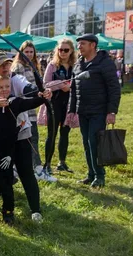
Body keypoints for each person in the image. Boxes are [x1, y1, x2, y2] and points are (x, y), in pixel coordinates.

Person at [0, 52, 53, 221]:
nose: (6, 68)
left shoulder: (15, 79)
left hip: (20, 134)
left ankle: (35, 210)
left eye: (8, 64)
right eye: (1, 65)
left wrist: (41, 93)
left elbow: (30, 90)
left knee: (26, 172)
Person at [69, 34, 121, 188]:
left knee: (94, 142)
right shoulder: (78, 64)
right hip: (83, 110)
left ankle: (100, 176)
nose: (79, 47)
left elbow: (114, 88)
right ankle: (91, 174)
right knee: (86, 143)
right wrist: (72, 110)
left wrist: (111, 111)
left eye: (82, 44)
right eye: (78, 44)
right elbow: (73, 88)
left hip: (99, 110)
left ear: (93, 45)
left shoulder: (105, 63)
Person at [11, 41, 46, 179]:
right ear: (21, 52)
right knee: (28, 139)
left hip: (31, 109)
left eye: (32, 52)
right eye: (27, 52)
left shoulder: (32, 66)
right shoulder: (18, 67)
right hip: (24, 110)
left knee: (32, 138)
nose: (29, 54)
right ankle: (35, 169)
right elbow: (19, 88)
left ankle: (32, 167)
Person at [42, 38, 77, 175]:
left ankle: (62, 162)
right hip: (54, 103)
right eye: (60, 49)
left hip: (69, 103)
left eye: (66, 50)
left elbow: (79, 82)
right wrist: (61, 85)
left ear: (71, 51)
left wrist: (71, 87)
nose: (62, 52)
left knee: (65, 133)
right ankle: (47, 164)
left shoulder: (76, 65)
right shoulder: (53, 65)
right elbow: (45, 83)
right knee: (52, 134)